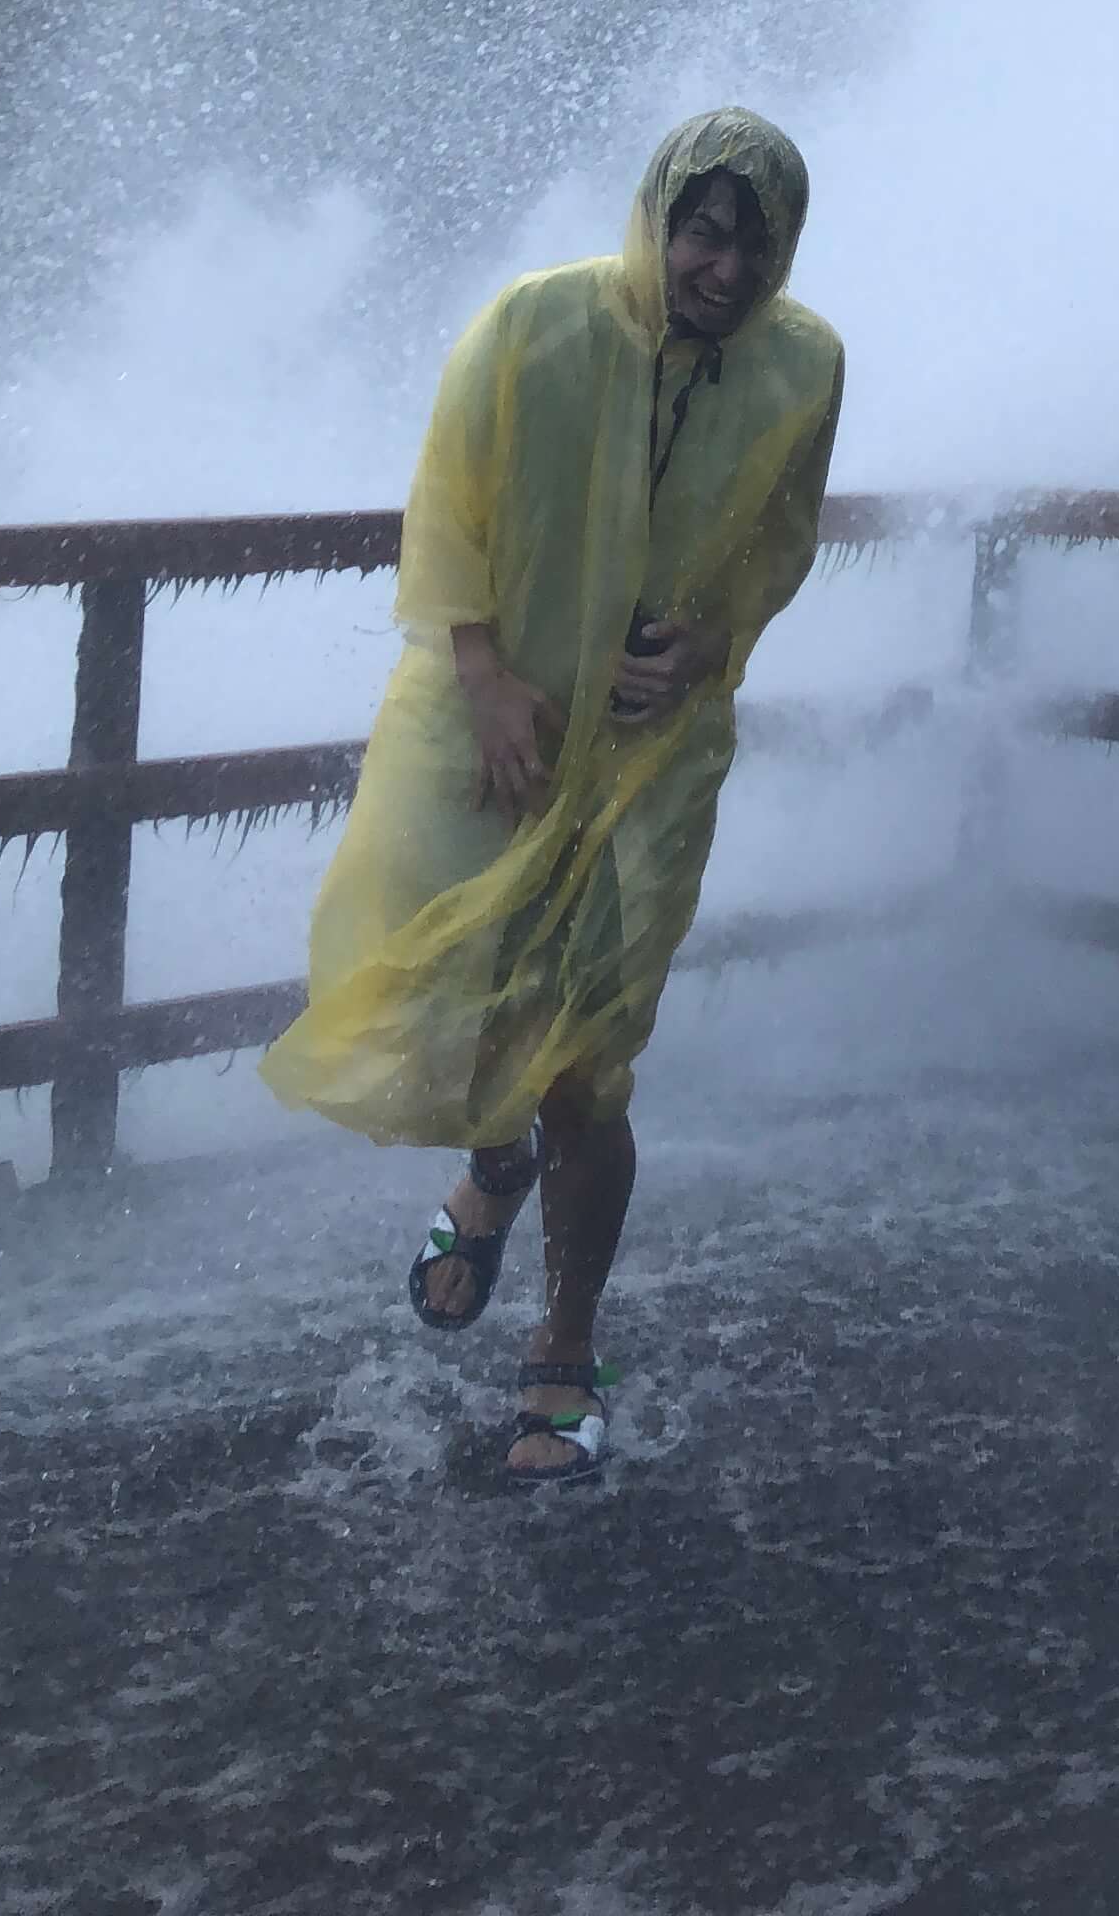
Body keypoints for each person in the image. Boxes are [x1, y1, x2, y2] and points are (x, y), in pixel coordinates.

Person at [262, 107, 844, 1487]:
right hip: (492, 724)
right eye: (701, 232)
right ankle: (491, 1166)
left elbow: (780, 540)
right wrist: (482, 675)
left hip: (650, 756)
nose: (722, 267)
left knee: (588, 1058)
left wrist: (711, 645)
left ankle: (565, 1345)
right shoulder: (537, 323)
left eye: (751, 244)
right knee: (467, 996)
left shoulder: (803, 366)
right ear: (656, 219)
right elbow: (448, 501)